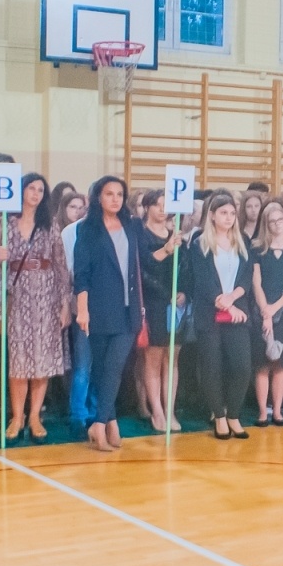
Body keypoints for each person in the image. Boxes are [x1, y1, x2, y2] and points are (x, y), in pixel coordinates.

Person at [0, 173, 70, 442]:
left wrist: (64, 303)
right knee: (19, 360)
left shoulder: (50, 224)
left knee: (41, 359)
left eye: (40, 190)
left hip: (46, 295)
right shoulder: (5, 223)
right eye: (31, 188)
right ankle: (17, 416)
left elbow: (61, 265)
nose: (35, 194)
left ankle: (35, 415)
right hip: (17, 296)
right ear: (21, 191)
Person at [74, 176, 145, 451]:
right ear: (98, 197)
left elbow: (144, 260)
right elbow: (81, 274)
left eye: (119, 194)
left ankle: (99, 422)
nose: (115, 199)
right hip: (99, 309)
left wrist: (167, 248)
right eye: (109, 194)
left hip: (128, 310)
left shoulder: (132, 225)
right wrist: (82, 311)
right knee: (103, 369)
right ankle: (110, 421)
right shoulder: (87, 229)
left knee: (114, 367)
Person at [188, 192, 254, 439]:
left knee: (242, 366)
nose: (228, 217)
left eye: (232, 213)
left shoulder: (242, 240)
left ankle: (234, 414)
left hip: (238, 312)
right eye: (223, 213)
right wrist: (226, 305)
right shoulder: (199, 243)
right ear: (212, 215)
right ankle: (219, 416)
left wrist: (234, 298)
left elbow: (246, 275)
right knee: (212, 367)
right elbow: (203, 281)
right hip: (210, 313)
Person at [135, 189, 185, 434]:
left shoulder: (177, 234)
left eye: (166, 205)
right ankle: (156, 410)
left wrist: (183, 292)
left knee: (172, 358)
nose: (163, 209)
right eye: (158, 204)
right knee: (153, 359)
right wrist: (167, 249)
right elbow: (143, 266)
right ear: (147, 207)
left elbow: (184, 268)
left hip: (176, 304)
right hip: (153, 302)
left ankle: (170, 409)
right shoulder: (141, 234)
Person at [250, 201, 283, 426]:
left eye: (281, 219)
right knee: (262, 364)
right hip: (261, 309)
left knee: (281, 363)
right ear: (266, 224)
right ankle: (263, 411)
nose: (277, 224)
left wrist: (274, 308)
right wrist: (266, 311)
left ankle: (278, 411)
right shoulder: (257, 249)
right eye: (272, 221)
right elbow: (256, 283)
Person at [59, 192, 94, 430]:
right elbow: (69, 272)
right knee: (83, 364)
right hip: (82, 304)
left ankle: (99, 412)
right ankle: (78, 414)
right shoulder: (72, 232)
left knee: (104, 366)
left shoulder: (115, 230)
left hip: (108, 308)